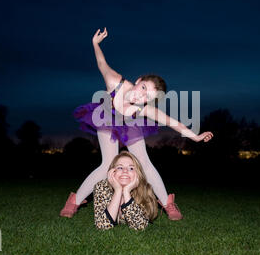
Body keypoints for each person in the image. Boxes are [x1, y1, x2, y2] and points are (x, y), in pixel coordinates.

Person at [60, 27, 214, 220]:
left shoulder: (144, 109)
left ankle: (168, 203)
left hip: (130, 123)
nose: (140, 95)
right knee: (108, 163)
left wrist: (196, 136)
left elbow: (172, 122)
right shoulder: (116, 82)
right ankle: (73, 201)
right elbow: (101, 63)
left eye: (146, 96)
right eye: (143, 88)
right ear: (139, 80)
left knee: (145, 164)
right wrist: (95, 44)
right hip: (107, 118)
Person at [93, 151, 157, 230]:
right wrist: (118, 190)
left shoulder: (144, 189)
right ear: (112, 172)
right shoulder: (102, 187)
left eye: (131, 168)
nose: (125, 171)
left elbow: (139, 227)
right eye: (120, 167)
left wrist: (126, 191)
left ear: (138, 173)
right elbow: (102, 226)